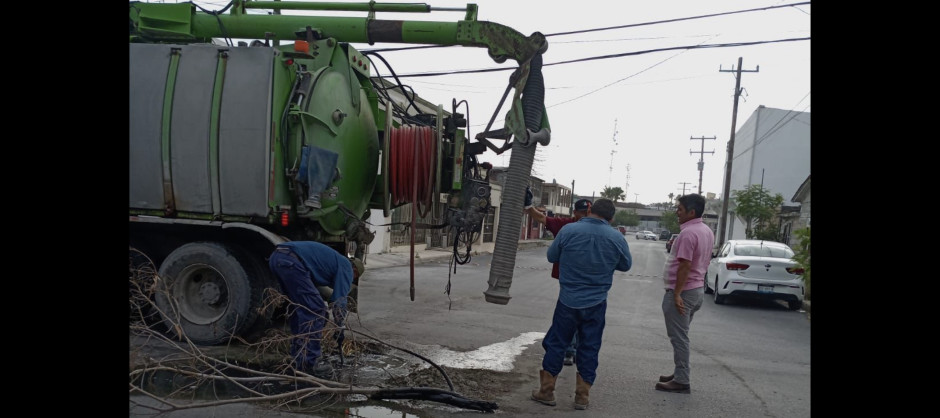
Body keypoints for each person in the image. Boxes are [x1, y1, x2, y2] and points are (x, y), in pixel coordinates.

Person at [530, 198, 632, 410]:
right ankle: (582, 396)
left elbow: (552, 256)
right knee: (590, 346)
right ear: (611, 217)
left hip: (568, 299)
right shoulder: (617, 237)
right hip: (596, 302)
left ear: (590, 211)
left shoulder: (568, 231)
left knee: (556, 343)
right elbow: (625, 265)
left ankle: (546, 392)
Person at [268, 241, 365, 378]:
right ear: (355, 272)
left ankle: (298, 356)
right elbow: (339, 300)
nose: (351, 280)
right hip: (291, 261)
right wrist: (339, 326)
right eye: (353, 278)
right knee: (316, 311)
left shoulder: (331, 262)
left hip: (278, 258)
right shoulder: (347, 267)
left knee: (299, 309)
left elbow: (317, 292)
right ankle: (311, 361)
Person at [524, 187, 589, 366]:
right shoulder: (565, 225)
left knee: (575, 316)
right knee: (572, 315)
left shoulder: (593, 229)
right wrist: (529, 206)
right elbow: (542, 218)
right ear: (575, 212)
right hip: (568, 279)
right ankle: (570, 349)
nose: (584, 216)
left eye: (587, 213)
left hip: (587, 279)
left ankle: (569, 349)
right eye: (581, 213)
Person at [656, 193, 714, 394]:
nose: (676, 213)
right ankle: (679, 372)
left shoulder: (688, 234)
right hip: (696, 290)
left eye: (680, 209)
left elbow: (685, 265)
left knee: (679, 338)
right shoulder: (705, 230)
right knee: (681, 335)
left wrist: (677, 294)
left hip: (684, 292)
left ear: (691, 212)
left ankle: (682, 379)